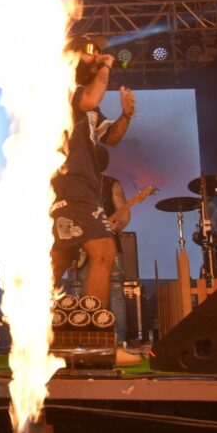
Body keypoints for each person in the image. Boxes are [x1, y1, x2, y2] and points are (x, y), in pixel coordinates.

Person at [51, 46, 135, 309]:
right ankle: (94, 327)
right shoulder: (62, 88)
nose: (97, 56)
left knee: (60, 259)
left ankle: (31, 319)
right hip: (70, 182)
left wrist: (126, 116)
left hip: (79, 185)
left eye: (99, 52)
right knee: (104, 251)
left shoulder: (88, 106)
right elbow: (90, 99)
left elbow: (111, 137)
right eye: (90, 51)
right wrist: (106, 65)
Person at [96, 145, 131, 345]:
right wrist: (114, 227)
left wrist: (112, 227)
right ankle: (117, 341)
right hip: (104, 245)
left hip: (94, 247)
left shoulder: (108, 184)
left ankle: (103, 339)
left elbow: (124, 216)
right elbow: (124, 217)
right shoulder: (112, 184)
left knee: (88, 291)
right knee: (114, 292)